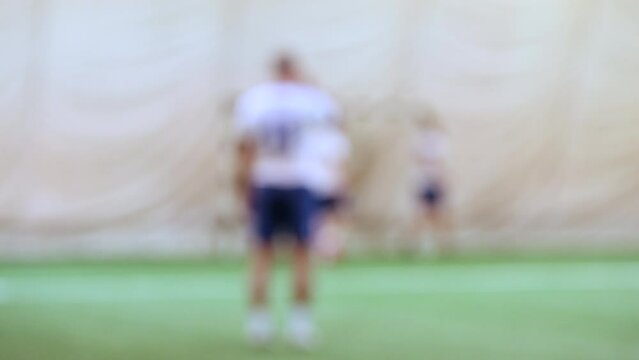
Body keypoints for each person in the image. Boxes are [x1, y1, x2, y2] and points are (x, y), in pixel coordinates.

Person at [233, 53, 339, 348]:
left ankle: (259, 323)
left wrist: (243, 187)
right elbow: (329, 144)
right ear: (295, 71)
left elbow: (245, 147)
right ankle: (300, 323)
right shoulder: (314, 99)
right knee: (303, 255)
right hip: (300, 183)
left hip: (266, 181)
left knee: (261, 253)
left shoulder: (255, 99)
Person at [300, 120, 351, 262]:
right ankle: (330, 252)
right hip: (329, 186)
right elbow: (341, 165)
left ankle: (327, 252)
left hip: (316, 186)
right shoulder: (337, 140)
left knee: (320, 221)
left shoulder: (312, 138)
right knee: (330, 221)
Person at [412, 114, 455, 256]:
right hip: (424, 181)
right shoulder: (420, 141)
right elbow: (418, 161)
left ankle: (441, 244)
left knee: (439, 214)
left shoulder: (440, 142)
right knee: (423, 213)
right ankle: (425, 244)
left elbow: (442, 163)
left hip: (436, 180)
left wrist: (443, 180)